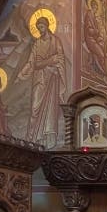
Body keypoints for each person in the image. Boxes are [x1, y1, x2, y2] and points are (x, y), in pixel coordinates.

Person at [17, 13, 68, 148]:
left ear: (47, 26)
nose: (40, 29)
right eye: (38, 27)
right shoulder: (37, 43)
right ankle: (33, 138)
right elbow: (31, 62)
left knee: (51, 108)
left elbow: (60, 58)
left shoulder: (55, 40)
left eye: (42, 26)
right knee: (35, 107)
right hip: (40, 79)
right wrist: (21, 74)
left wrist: (48, 63)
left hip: (52, 79)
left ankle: (48, 138)